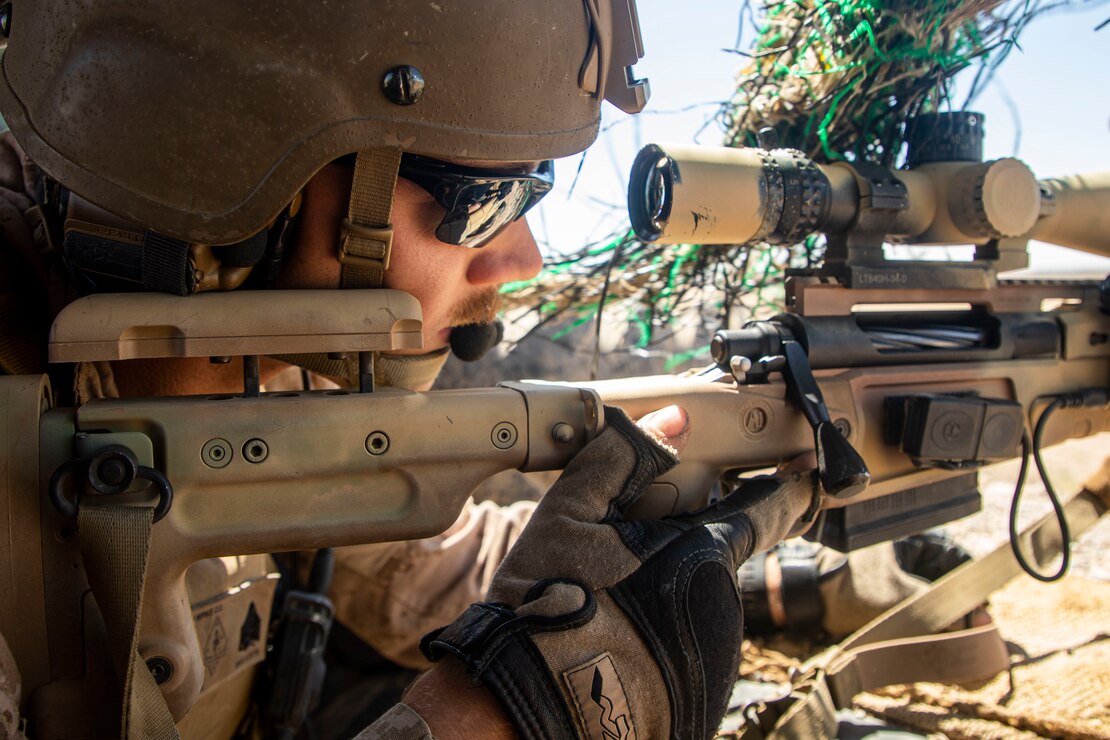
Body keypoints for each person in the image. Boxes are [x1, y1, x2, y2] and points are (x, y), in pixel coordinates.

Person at [0, 2, 820, 739]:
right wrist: (509, 716)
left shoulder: (257, 383)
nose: (522, 259)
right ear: (223, 173)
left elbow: (417, 567)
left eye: (536, 192)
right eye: (485, 200)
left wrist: (757, 574)